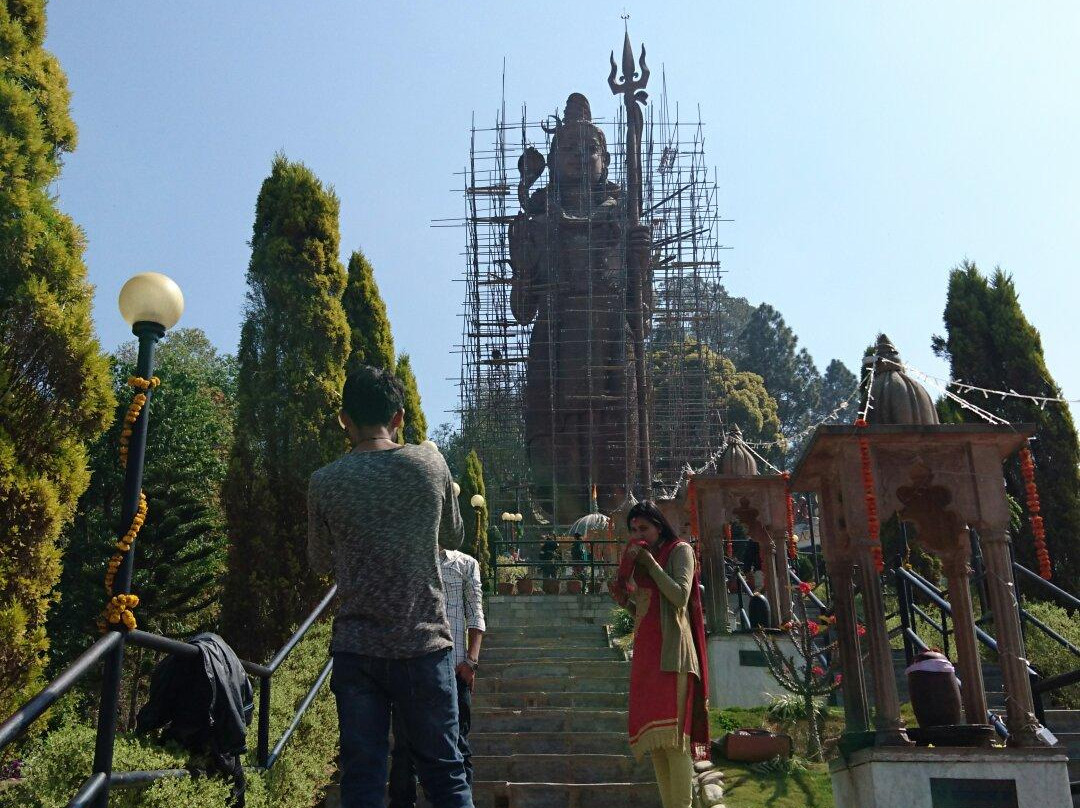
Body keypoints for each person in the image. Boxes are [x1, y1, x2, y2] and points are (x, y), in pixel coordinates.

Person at [307, 365, 473, 808]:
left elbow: (319, 560)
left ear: (344, 419)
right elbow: (454, 537)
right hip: (424, 644)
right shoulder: (430, 464)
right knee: (446, 772)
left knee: (362, 778)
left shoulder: (324, 481)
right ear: (398, 417)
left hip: (357, 648)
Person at [611, 501, 709, 808]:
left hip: (674, 655)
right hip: (646, 656)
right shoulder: (643, 563)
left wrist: (651, 564)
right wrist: (623, 597)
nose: (639, 536)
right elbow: (644, 608)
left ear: (659, 526)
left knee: (674, 742)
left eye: (645, 529)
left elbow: (680, 596)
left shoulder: (681, 551)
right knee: (656, 745)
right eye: (633, 530)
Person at [389, 546, 486, 807]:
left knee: (458, 746)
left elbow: (475, 613)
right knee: (403, 747)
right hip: (411, 667)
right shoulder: (407, 559)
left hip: (455, 670)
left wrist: (471, 662)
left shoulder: (465, 564)